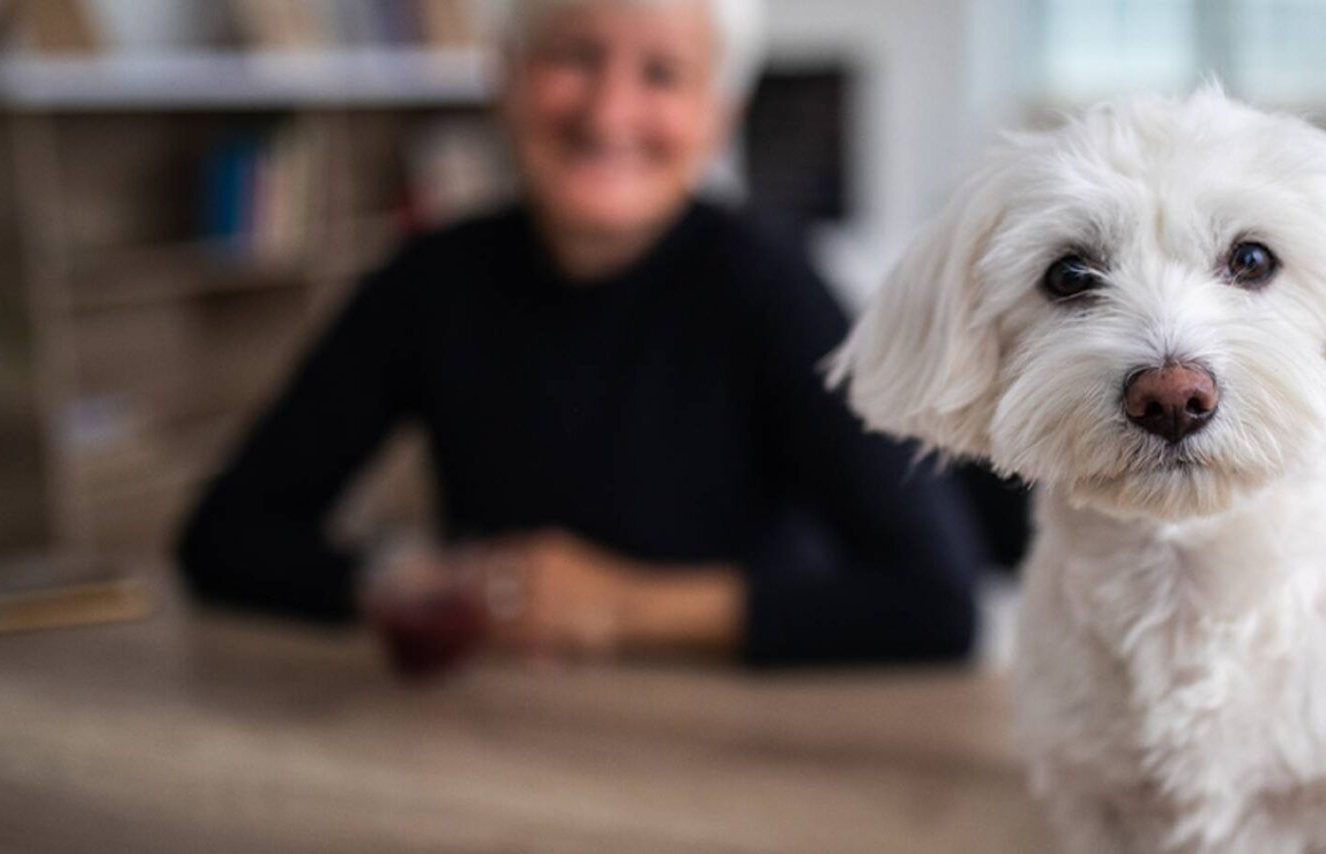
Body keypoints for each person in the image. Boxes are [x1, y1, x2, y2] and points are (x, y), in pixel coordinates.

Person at [176, 0, 985, 667]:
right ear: (508, 79)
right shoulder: (427, 279)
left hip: (733, 739)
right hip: (494, 728)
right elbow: (224, 536)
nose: (608, 112)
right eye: (573, 56)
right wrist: (394, 577)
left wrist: (625, 607)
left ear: (717, 115)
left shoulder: (770, 284)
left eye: (661, 73)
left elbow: (937, 601)